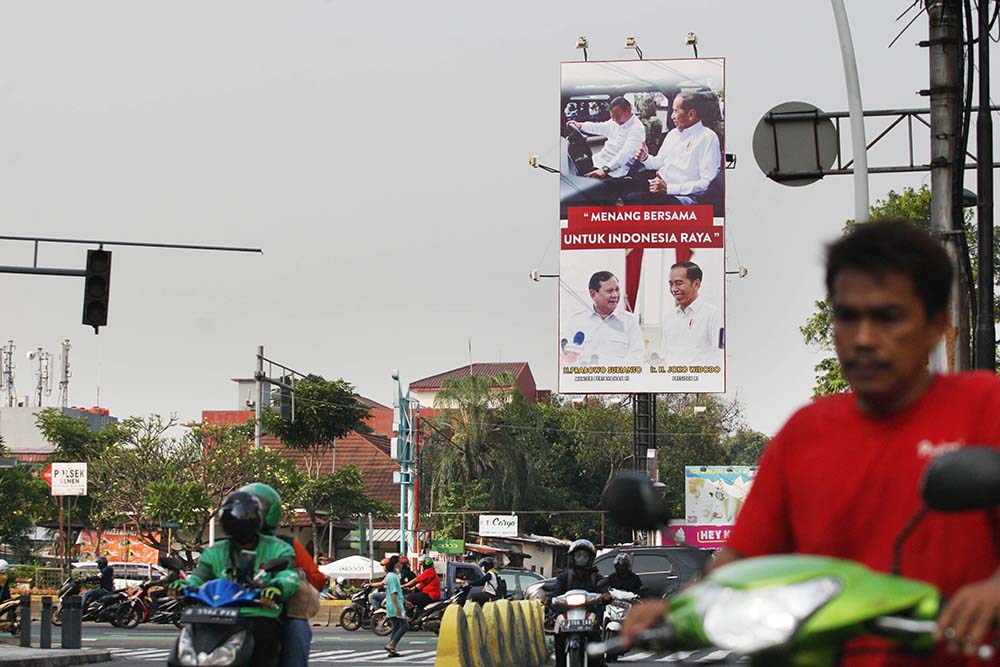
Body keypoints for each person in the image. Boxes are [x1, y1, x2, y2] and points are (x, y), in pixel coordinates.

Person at [623, 221, 1000, 667]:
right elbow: (743, 558)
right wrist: (677, 609)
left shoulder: (984, 406)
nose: (864, 339)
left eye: (888, 317)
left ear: (936, 325)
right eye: (848, 317)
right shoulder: (805, 432)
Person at [174, 491, 299, 667]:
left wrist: (277, 587)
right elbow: (199, 577)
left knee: (265, 644)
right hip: (214, 615)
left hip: (258, 614)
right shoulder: (215, 551)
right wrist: (184, 586)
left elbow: (288, 575)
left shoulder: (278, 548)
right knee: (185, 646)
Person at [241, 483, 325, 667]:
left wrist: (290, 580)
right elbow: (205, 574)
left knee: (296, 629)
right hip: (233, 610)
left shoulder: (284, 547)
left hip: (276, 611)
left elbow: (317, 580)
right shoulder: (224, 547)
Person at [625, 92, 721, 206]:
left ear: (691, 114)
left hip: (682, 197)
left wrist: (669, 188)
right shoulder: (673, 134)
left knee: (633, 200)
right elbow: (658, 162)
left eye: (675, 111)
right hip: (659, 187)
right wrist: (645, 157)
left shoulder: (707, 138)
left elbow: (706, 183)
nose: (672, 116)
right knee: (621, 188)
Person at [542, 540, 609, 667]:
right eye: (578, 555)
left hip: (590, 613)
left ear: (590, 558)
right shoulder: (564, 577)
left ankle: (599, 662)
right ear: (572, 557)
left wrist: (606, 595)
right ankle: (560, 663)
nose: (581, 559)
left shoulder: (596, 577)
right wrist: (548, 597)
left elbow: (604, 590)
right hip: (567, 613)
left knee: (596, 635)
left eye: (585, 556)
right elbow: (556, 590)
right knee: (558, 633)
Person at [562, 272, 645, 366]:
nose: (615, 295)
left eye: (617, 290)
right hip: (584, 375)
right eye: (609, 291)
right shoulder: (576, 321)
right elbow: (566, 359)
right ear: (593, 294)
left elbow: (637, 357)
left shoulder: (630, 321)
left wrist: (610, 372)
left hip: (619, 375)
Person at [566, 96, 646, 183]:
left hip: (615, 170)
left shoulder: (637, 129)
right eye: (612, 117)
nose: (614, 120)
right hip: (600, 160)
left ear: (628, 110)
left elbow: (625, 154)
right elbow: (599, 127)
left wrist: (605, 169)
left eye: (617, 116)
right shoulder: (615, 121)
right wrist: (581, 125)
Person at [659, 261, 723, 366]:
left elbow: (720, 358)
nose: (674, 289)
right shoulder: (669, 318)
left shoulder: (713, 315)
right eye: (671, 284)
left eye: (679, 283)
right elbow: (664, 357)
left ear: (696, 284)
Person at [384, 556, 408, 658]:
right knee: (405, 626)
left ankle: (392, 650)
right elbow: (394, 593)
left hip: (392, 605)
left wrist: (405, 601)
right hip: (395, 605)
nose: (400, 565)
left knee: (396, 626)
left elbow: (396, 593)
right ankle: (391, 644)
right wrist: (398, 607)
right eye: (399, 563)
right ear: (395, 564)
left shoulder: (390, 576)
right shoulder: (393, 577)